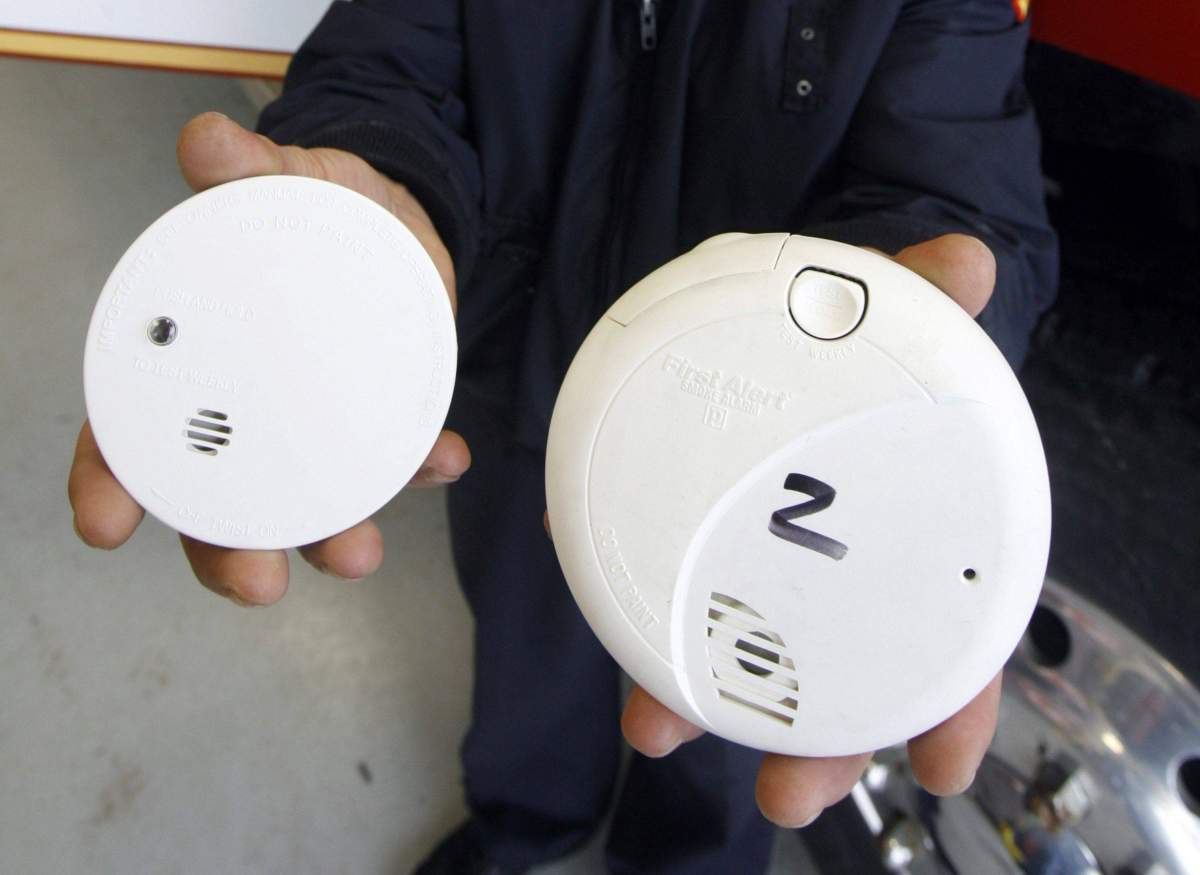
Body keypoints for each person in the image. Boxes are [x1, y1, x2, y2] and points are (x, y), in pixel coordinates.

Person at [68, 1, 1058, 872]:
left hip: (769, 468)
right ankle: (521, 830)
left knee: (731, 717)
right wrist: (368, 181)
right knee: (522, 657)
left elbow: (961, 191)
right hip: (511, 389)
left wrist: (920, 353)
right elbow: (385, 62)